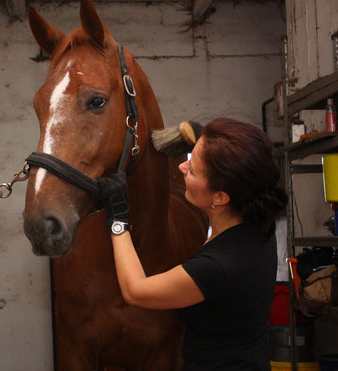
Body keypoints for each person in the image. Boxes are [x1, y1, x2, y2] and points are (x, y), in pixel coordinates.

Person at [97, 117, 288, 371]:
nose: (182, 167)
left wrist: (118, 220)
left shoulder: (219, 265)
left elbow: (135, 291)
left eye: (193, 168)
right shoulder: (258, 223)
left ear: (219, 197)